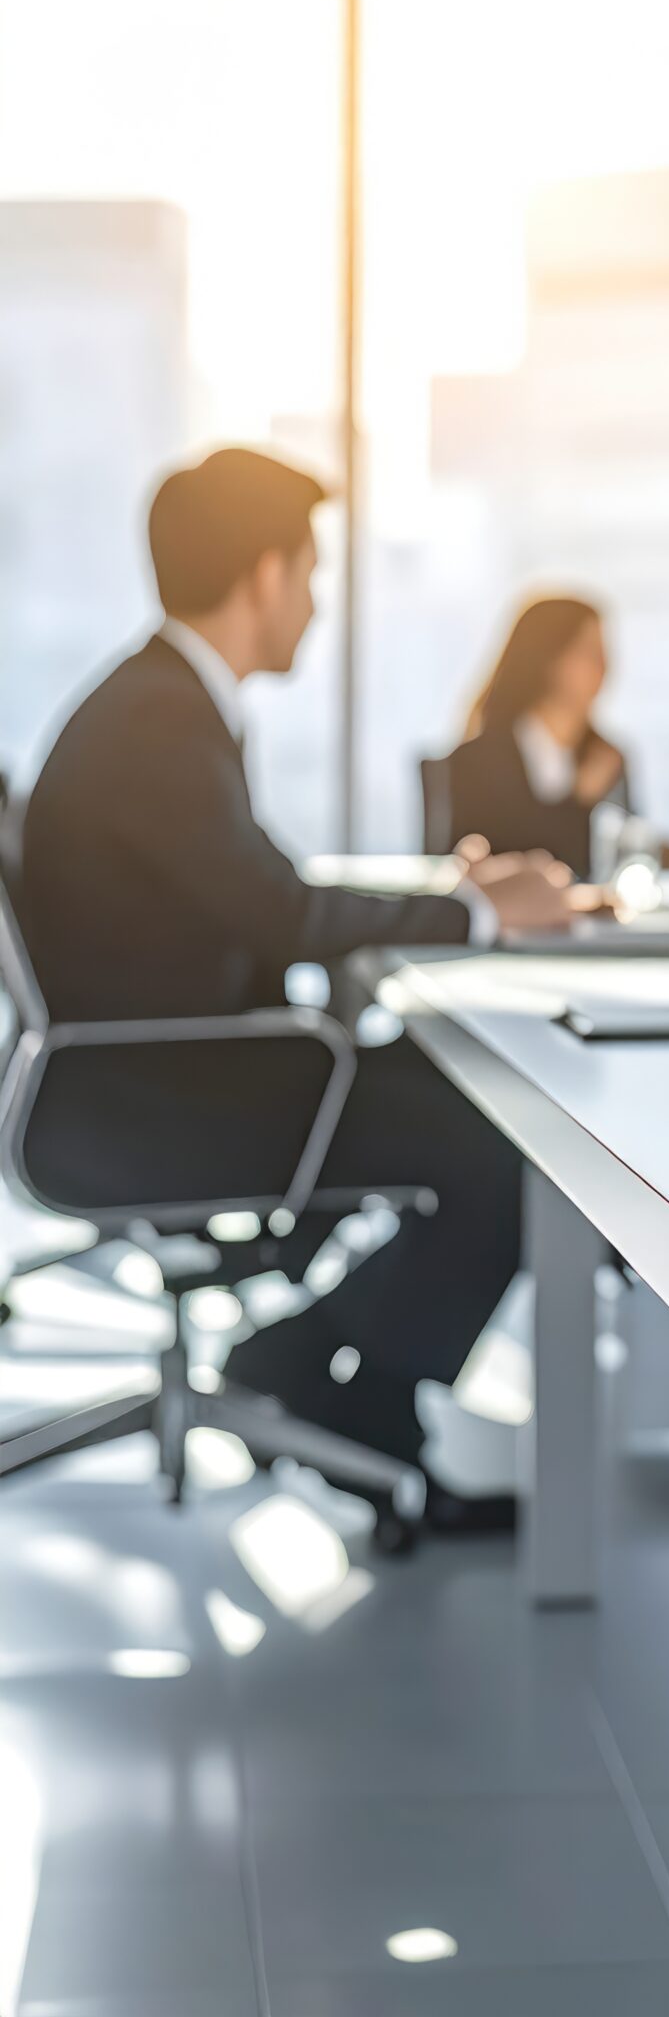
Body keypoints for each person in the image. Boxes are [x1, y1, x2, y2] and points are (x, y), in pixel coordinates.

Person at [17, 449, 575, 1519]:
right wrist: (476, 911)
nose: (316, 604)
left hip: (155, 1072)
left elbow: (254, 892)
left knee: (451, 1093)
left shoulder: (159, 698)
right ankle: (341, 1387)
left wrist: (451, 899)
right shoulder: (159, 718)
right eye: (311, 574)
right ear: (265, 575)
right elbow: (281, 911)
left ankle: (308, 1359)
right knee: (505, 1136)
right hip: (156, 1097)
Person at [439, 595, 630, 872]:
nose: (604, 665)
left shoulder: (607, 758)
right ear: (548, 658)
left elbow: (629, 857)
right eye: (588, 651)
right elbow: (477, 864)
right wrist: (578, 803)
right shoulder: (477, 761)